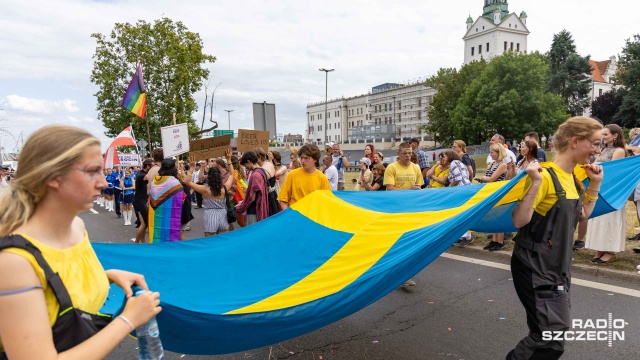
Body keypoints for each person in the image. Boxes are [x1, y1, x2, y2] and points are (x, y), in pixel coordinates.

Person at [0, 125, 161, 359]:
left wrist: (106, 275)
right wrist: (129, 319)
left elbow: (54, 287)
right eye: (92, 171)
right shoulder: (13, 263)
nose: (104, 183)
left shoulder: (77, 227)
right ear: (54, 177)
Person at [507, 117, 603, 360]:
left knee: (550, 333)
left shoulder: (573, 178)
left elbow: (583, 214)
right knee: (549, 337)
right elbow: (518, 220)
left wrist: (595, 184)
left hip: (558, 266)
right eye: (594, 143)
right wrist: (536, 183)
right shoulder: (545, 175)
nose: (597, 150)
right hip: (534, 265)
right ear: (574, 141)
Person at [584, 124, 627, 263]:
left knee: (610, 219)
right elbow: (596, 164)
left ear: (615, 135)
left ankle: (610, 250)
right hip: (600, 187)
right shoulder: (603, 150)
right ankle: (600, 248)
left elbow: (613, 171)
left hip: (611, 190)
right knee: (599, 218)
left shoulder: (619, 150)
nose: (603, 137)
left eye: (605, 134)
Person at [383, 143, 423, 288]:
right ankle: (389, 270)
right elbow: (390, 188)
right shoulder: (391, 168)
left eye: (410, 153)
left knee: (409, 243)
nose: (408, 155)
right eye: (405, 153)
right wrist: (408, 190)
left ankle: (404, 274)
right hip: (395, 211)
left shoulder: (416, 167)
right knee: (394, 243)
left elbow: (419, 188)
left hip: (411, 211)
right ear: (398, 154)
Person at [278, 144, 331, 209]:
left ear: (315, 159)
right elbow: (283, 199)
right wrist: (289, 217)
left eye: (306, 158)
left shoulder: (322, 178)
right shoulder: (292, 175)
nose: (302, 161)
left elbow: (326, 202)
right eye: (301, 158)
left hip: (312, 217)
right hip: (294, 216)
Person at [477, 144, 508, 251]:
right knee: (493, 217)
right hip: (491, 193)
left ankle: (500, 242)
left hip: (498, 193)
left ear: (498, 152)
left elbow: (491, 178)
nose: (490, 154)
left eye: (492, 152)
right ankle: (495, 240)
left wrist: (485, 178)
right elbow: (487, 176)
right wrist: (484, 178)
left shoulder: (502, 165)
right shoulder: (493, 163)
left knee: (499, 217)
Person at [148, 159, 185, 243]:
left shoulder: (155, 181)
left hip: (156, 217)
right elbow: (181, 202)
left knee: (156, 237)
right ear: (174, 169)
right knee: (169, 240)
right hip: (170, 218)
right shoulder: (175, 183)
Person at [186, 167, 229, 236]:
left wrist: (191, 168)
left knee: (210, 243)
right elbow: (232, 175)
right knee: (223, 242)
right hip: (222, 215)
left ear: (209, 177)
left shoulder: (204, 189)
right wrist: (229, 161)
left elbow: (188, 182)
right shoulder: (225, 188)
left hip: (210, 216)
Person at [235, 151, 269, 225]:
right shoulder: (262, 171)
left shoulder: (255, 175)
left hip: (254, 210)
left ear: (248, 161)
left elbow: (252, 198)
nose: (246, 167)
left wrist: (242, 206)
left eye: (245, 165)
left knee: (253, 233)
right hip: (262, 209)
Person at [133, 159, 152, 243]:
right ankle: (136, 243)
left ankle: (143, 242)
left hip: (142, 201)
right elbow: (151, 177)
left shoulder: (142, 174)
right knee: (144, 224)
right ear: (148, 166)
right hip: (139, 202)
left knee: (143, 224)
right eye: (152, 166)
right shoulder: (142, 175)